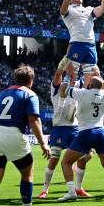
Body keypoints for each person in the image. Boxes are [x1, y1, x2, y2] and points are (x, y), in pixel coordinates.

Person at [0, 65, 51, 206]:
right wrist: (43, 144)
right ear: (31, 81)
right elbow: (34, 120)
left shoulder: (1, 94)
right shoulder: (29, 94)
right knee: (27, 174)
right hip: (13, 133)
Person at [57, 76, 104, 202]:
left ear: (89, 85)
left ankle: (71, 192)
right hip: (100, 132)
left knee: (66, 162)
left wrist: (68, 77)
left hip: (85, 132)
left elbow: (64, 88)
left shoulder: (83, 93)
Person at [37, 66, 92, 199]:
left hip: (74, 128)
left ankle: (78, 189)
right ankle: (45, 189)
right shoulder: (57, 87)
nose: (74, 78)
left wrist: (86, 64)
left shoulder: (77, 87)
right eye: (71, 76)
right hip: (59, 128)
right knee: (54, 160)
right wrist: (65, 65)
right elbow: (57, 75)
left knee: (86, 156)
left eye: (75, 76)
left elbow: (88, 79)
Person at [59, 0, 104, 86]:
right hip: (76, 44)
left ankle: (88, 101)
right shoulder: (69, 9)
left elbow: (103, 8)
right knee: (72, 76)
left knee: (92, 78)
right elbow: (63, 8)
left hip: (90, 46)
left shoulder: (89, 10)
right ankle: (68, 102)